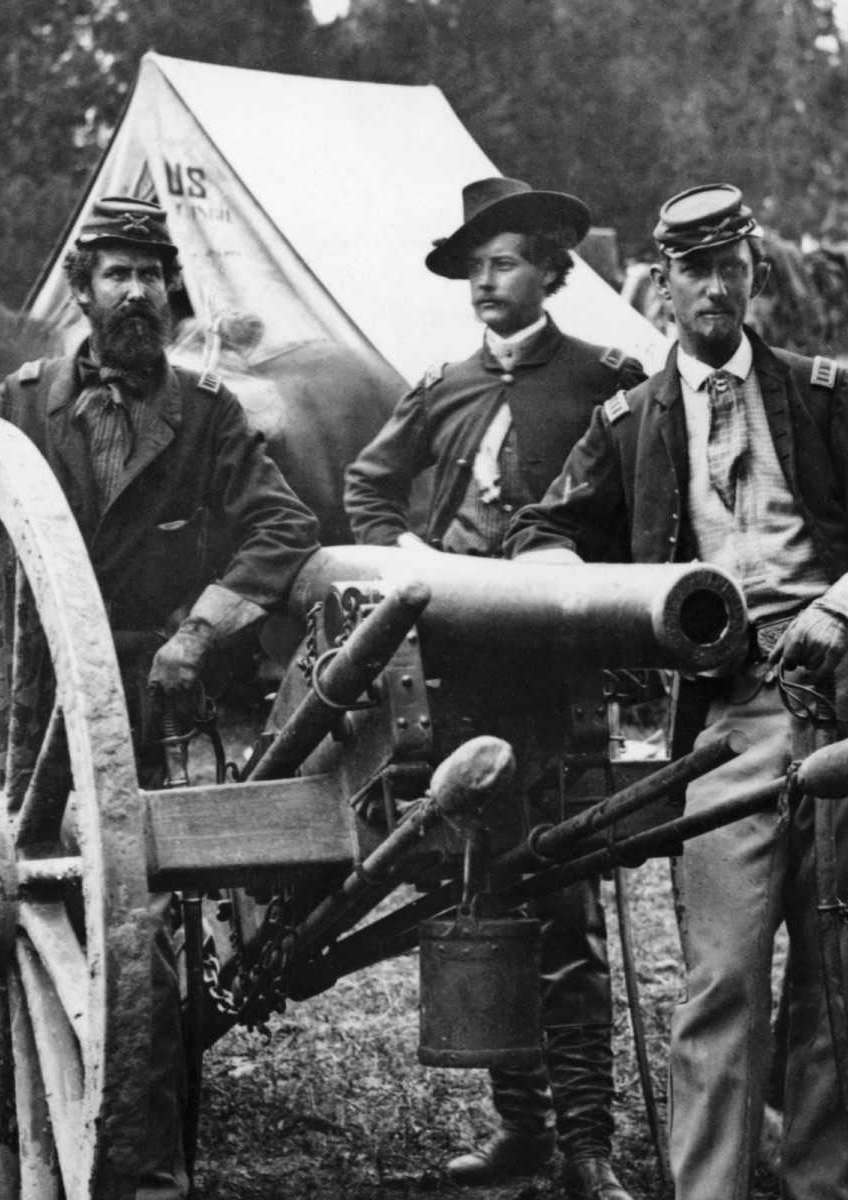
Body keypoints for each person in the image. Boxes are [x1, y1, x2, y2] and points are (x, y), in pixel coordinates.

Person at [506, 184, 848, 1200]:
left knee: (837, 968)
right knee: (723, 975)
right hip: (728, 722)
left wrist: (846, 608)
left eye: (731, 268)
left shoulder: (825, 398)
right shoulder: (630, 424)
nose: (715, 288)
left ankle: (823, 1183)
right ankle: (710, 1189)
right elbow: (543, 531)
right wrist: (594, 599)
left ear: (753, 274)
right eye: (694, 272)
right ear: (663, 288)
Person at [0, 195, 320, 1200]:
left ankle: (149, 1175)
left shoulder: (207, 419)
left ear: (173, 295)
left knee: (146, 952)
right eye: (115, 272)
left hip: (153, 707)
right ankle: (25, 1162)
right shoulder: (18, 409)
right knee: (30, 933)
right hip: (32, 716)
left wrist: (201, 630)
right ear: (82, 291)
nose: (134, 292)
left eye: (150, 274)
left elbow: (282, 528)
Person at [343, 176, 647, 1200]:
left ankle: (588, 1147)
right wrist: (410, 562)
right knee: (491, 899)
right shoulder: (438, 388)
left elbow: (642, 510)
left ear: (554, 272)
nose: (485, 280)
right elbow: (366, 490)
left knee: (568, 915)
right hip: (464, 684)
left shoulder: (608, 382)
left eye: (505, 260)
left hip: (560, 684)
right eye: (473, 267)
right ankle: (521, 1130)